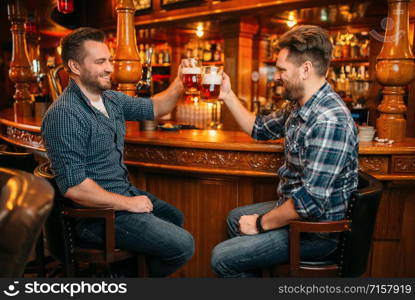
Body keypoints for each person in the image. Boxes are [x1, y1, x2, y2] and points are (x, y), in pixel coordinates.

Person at [41, 27, 194, 277]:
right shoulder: (64, 114)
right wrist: (128, 203)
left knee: (174, 217)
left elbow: (155, 108)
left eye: (109, 59)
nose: (110, 67)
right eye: (101, 61)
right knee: (182, 245)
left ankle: (117, 275)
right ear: (75, 67)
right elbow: (75, 188)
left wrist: (180, 81)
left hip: (120, 195)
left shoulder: (110, 99)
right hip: (95, 216)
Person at [211, 25, 358, 277]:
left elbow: (310, 203)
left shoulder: (329, 119)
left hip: (316, 232)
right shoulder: (298, 105)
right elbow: (259, 129)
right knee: (235, 218)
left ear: (306, 69)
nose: (276, 76)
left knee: (222, 258)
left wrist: (259, 224)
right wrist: (227, 95)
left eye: (281, 69)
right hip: (296, 211)